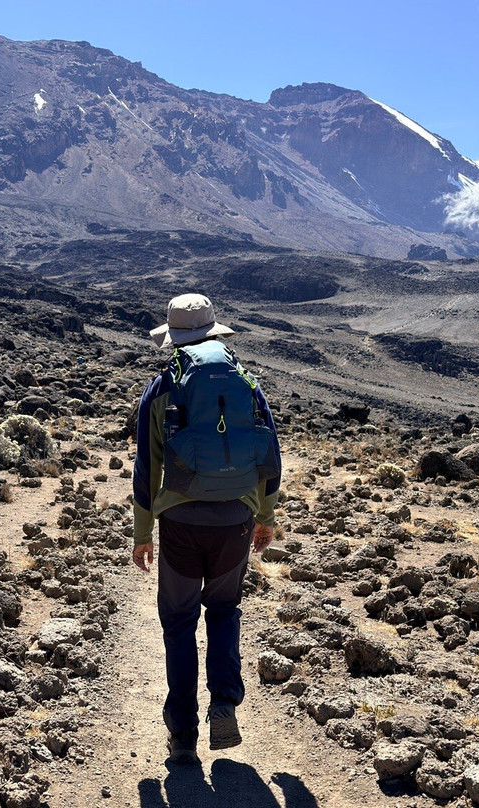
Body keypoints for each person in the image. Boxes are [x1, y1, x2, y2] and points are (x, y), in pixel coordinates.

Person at [132, 293, 281, 765]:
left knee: (178, 623)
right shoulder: (248, 386)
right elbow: (269, 455)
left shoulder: (160, 391)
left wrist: (142, 532)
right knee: (223, 610)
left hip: (179, 524)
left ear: (174, 340)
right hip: (235, 521)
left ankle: (183, 736)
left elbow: (145, 468)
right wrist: (265, 516)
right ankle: (223, 701)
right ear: (216, 333)